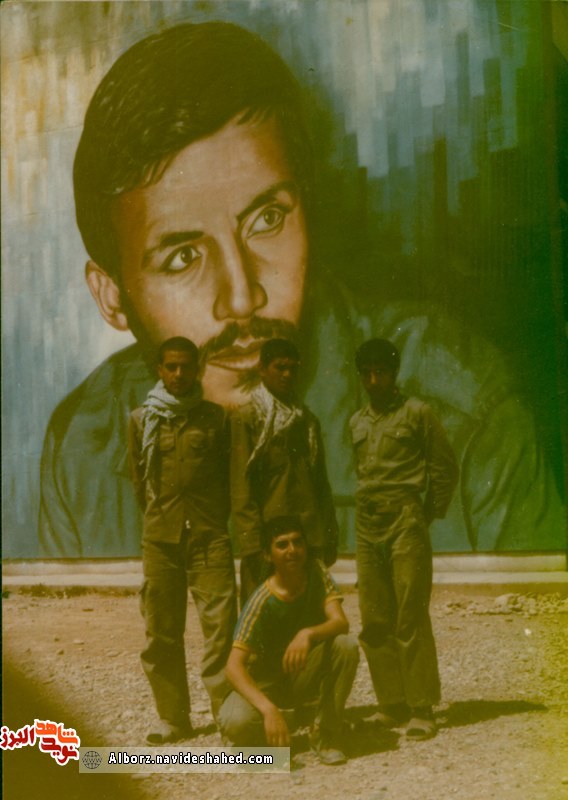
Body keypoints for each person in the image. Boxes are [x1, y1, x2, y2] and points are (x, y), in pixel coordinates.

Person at [38, 20, 565, 559]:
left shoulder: (463, 419)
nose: (242, 298)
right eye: (182, 257)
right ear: (111, 296)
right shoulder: (84, 452)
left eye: (267, 219)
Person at [128, 336, 237, 744]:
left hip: (209, 537)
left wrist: (211, 520)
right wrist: (164, 520)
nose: (178, 374)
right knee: (161, 631)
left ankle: (229, 716)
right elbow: (141, 482)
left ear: (197, 369)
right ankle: (173, 718)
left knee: (221, 629)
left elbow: (228, 478)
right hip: (162, 540)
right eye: (171, 366)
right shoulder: (141, 420)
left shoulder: (215, 418)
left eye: (186, 367)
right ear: (159, 369)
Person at [350, 338, 459, 740]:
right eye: (367, 373)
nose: (373, 380)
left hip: (405, 519)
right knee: (374, 616)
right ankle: (391, 703)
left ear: (394, 373)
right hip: (367, 523)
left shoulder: (417, 413)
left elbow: (444, 467)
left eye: (380, 372)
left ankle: (421, 707)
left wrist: (425, 514)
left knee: (409, 615)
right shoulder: (356, 421)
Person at [218, 515, 359, 765]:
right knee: (236, 722)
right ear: (267, 555)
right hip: (265, 685)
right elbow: (233, 666)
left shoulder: (316, 571)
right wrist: (268, 709)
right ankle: (270, 736)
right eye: (282, 545)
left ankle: (325, 734)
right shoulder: (262, 601)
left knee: (345, 646)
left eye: (297, 542)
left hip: (298, 675)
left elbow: (341, 622)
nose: (292, 550)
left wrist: (307, 634)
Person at [230, 338, 338, 603]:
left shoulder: (306, 420)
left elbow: (320, 484)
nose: (287, 374)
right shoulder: (247, 418)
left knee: (309, 612)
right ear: (262, 369)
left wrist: (328, 534)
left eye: (293, 368)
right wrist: (253, 546)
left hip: (305, 539)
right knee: (261, 611)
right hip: (267, 542)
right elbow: (241, 487)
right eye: (280, 367)